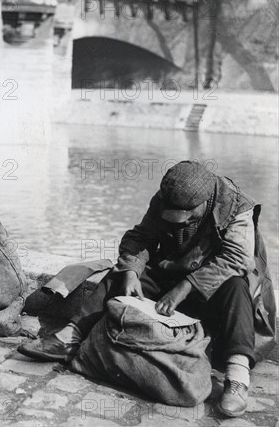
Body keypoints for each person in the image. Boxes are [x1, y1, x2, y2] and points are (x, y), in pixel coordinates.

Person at [18, 161, 276, 418]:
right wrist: (132, 271)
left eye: (187, 217)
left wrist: (184, 288)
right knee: (120, 274)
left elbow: (237, 260)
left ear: (204, 202)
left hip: (215, 286)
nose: (180, 223)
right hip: (174, 273)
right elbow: (140, 238)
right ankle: (70, 336)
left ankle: (237, 376)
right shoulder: (165, 198)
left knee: (237, 286)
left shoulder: (237, 207)